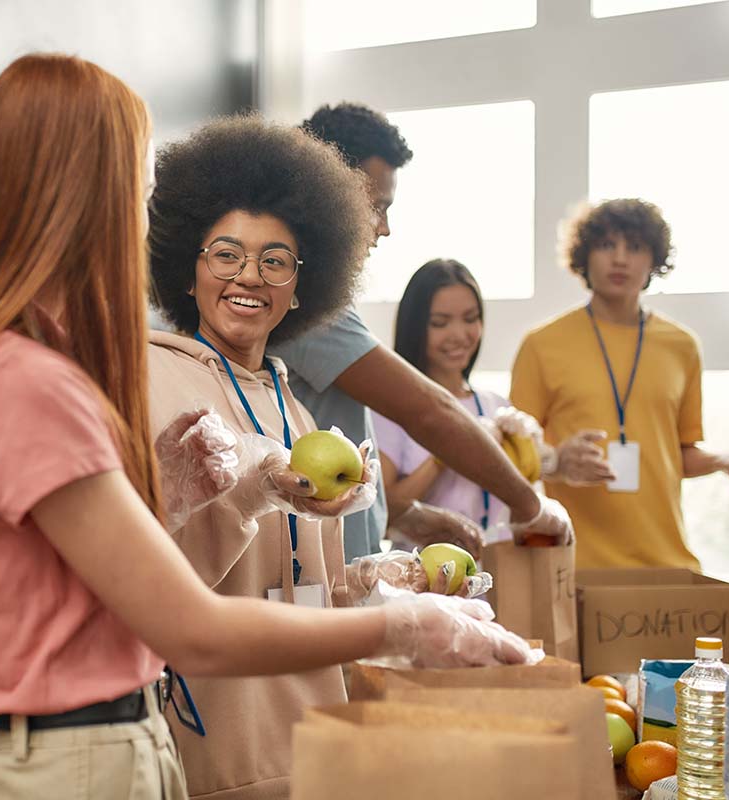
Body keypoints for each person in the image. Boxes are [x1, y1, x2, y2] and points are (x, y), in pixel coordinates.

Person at [0, 54, 532, 800]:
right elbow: (187, 624)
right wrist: (405, 628)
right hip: (86, 759)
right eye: (133, 185)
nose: (140, 213)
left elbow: (85, 591)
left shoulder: (16, 367)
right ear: (84, 196)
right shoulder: (29, 381)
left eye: (274, 262)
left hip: (108, 748)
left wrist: (190, 505)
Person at [146, 118, 501, 800]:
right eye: (226, 254)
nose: (249, 276)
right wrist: (250, 495)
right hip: (212, 759)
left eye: (274, 260)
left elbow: (307, 591)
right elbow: (153, 589)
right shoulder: (155, 383)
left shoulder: (297, 409)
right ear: (187, 268)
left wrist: (382, 580)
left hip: (310, 751)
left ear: (303, 285)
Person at [271, 102, 571, 563]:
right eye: (377, 208)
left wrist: (405, 514)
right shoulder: (302, 299)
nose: (385, 228)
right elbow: (428, 412)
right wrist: (530, 506)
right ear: (328, 195)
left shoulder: (318, 296)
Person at [510, 198, 729, 569]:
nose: (620, 258)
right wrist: (557, 462)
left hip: (668, 564)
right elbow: (511, 456)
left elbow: (679, 453)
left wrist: (727, 462)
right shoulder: (541, 345)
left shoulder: (682, 346)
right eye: (607, 245)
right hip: (575, 567)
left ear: (654, 259)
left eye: (635, 247)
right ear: (584, 256)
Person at [372, 259, 527, 547]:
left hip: (499, 576)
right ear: (415, 327)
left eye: (470, 318)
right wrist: (448, 449)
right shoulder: (392, 410)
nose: (459, 335)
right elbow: (383, 511)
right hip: (426, 582)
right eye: (440, 323)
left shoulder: (496, 406)